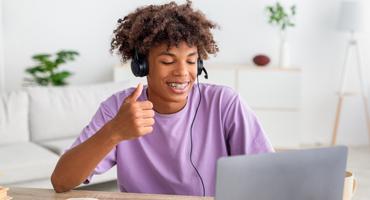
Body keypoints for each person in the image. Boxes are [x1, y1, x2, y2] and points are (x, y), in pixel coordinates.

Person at [51, 0, 274, 196]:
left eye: (190, 61)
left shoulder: (224, 104)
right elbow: (61, 182)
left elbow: (268, 174)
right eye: (167, 61)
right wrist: (114, 132)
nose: (182, 72)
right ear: (142, 65)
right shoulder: (119, 108)